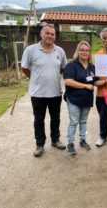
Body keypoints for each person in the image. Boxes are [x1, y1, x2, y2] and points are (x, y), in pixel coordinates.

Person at [21, 25, 67, 157]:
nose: (50, 36)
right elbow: (24, 68)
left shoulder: (60, 51)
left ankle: (55, 140)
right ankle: (40, 144)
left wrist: (52, 76)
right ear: (41, 34)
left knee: (55, 118)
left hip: (55, 92)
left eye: (53, 34)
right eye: (47, 33)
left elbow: (63, 68)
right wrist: (34, 78)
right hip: (38, 93)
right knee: (39, 120)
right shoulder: (31, 50)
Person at [63, 41, 107, 155]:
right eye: (82, 50)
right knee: (74, 121)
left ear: (90, 53)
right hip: (73, 99)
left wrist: (105, 81)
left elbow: (95, 82)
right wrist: (85, 85)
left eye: (87, 50)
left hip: (86, 99)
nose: (84, 52)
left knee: (83, 121)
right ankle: (70, 143)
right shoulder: (71, 65)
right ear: (78, 51)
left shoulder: (92, 67)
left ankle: (82, 140)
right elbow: (68, 81)